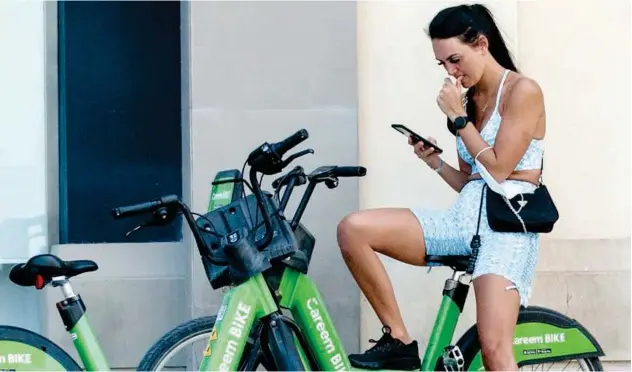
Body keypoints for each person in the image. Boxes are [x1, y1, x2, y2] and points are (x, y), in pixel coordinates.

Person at [337, 3, 546, 371]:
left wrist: (458, 119)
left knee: (494, 348)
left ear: (481, 44)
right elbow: (473, 181)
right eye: (443, 65)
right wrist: (433, 161)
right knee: (353, 230)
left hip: (506, 232)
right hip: (461, 220)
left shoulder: (522, 91)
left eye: (455, 60)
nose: (451, 72)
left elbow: (498, 169)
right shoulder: (469, 100)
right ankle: (399, 340)